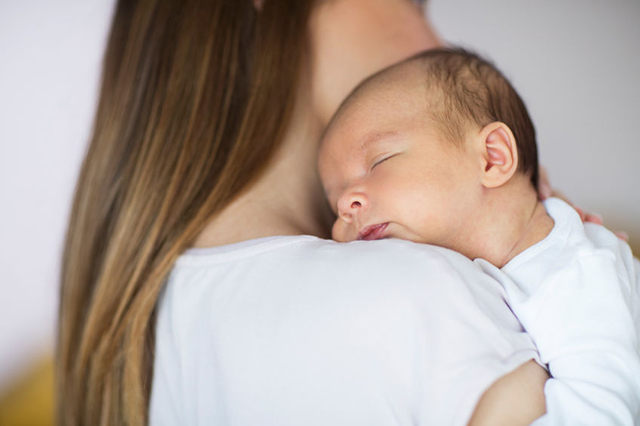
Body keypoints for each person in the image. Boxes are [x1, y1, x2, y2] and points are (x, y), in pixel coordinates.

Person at [57, 1, 563, 425]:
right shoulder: (424, 291)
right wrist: (545, 251)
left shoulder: (141, 333)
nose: (433, 38)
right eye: (412, 4)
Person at [319, 47, 640, 424]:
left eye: (378, 162)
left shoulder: (575, 271)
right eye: (333, 203)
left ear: (492, 158)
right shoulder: (477, 274)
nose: (345, 203)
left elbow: (604, 411)